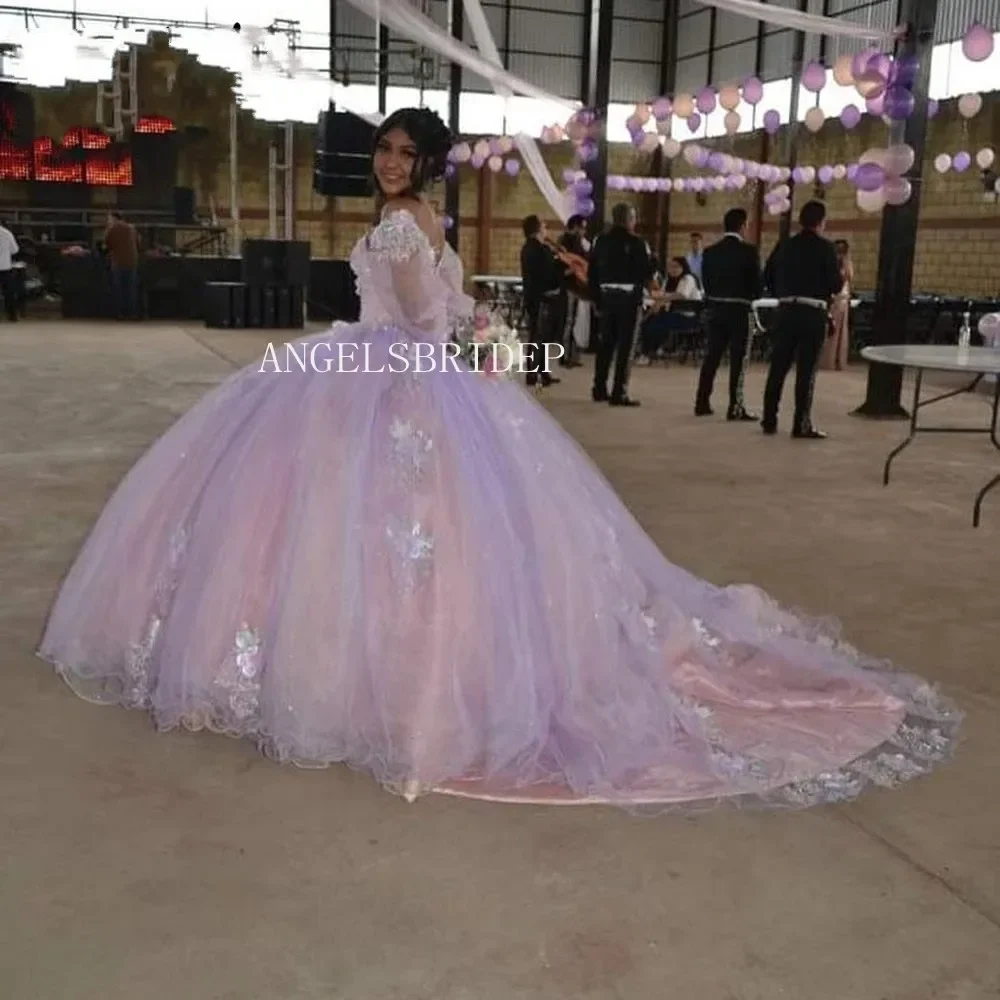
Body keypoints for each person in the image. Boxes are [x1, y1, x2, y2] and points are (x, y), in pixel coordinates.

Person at [36, 106, 960, 810]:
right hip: (390, 364)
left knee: (369, 531)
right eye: (386, 151)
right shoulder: (421, 220)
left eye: (405, 153)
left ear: (427, 164)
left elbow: (422, 318)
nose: (391, 163)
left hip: (386, 372)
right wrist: (489, 353)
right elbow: (453, 305)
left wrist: (462, 351)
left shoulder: (403, 225)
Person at [761, 200, 842, 439]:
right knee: (806, 371)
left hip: (785, 311)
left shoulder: (784, 245)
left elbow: (768, 275)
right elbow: (835, 284)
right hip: (812, 312)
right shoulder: (826, 248)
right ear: (821, 221)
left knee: (778, 368)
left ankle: (769, 420)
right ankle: (801, 423)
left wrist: (783, 294)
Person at [695, 208, 762, 421]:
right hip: (740, 310)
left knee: (711, 357)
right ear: (743, 226)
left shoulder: (710, 252)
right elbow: (757, 286)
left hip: (715, 309)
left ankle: (702, 401)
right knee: (738, 359)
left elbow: (705, 282)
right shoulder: (749, 252)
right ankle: (735, 405)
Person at [588, 203, 654, 406]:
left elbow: (592, 273)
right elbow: (646, 272)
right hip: (628, 299)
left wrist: (596, 299)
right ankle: (619, 392)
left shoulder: (600, 241)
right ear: (628, 219)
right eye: (633, 217)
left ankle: (599, 388)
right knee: (626, 347)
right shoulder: (638, 243)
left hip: (606, 297)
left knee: (605, 345)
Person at [519, 214, 562, 389]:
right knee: (539, 337)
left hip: (532, 296)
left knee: (538, 337)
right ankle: (534, 372)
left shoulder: (527, 248)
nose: (546, 230)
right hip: (543, 297)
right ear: (537, 229)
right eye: (544, 226)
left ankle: (540, 372)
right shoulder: (540, 249)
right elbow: (549, 273)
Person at [637, 256, 702, 364]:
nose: (672, 269)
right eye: (670, 267)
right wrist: (658, 302)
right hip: (671, 313)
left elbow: (681, 295)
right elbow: (662, 295)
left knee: (655, 322)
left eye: (675, 266)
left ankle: (648, 352)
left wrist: (662, 300)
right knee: (650, 319)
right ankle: (651, 350)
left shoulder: (688, 278)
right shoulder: (668, 280)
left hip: (687, 317)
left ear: (683, 267)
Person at [556, 214, 587, 368]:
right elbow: (563, 261)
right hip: (568, 285)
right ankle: (564, 356)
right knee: (568, 321)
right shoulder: (566, 241)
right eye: (582, 228)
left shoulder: (576, 242)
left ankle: (569, 354)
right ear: (575, 227)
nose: (584, 232)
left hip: (575, 285)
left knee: (571, 320)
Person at [820, 239, 854, 371]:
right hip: (840, 298)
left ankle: (832, 360)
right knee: (835, 330)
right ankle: (834, 360)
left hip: (840, 298)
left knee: (834, 330)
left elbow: (846, 279)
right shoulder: (841, 263)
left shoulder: (841, 263)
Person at [104, 212, 141, 320]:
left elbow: (107, 243)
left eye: (109, 219)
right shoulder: (132, 228)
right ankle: (132, 313)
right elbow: (138, 242)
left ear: (114, 219)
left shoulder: (112, 228)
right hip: (132, 261)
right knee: (131, 289)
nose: (108, 221)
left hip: (118, 261)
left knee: (118, 288)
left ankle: (119, 313)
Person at [0, 219, 20, 322]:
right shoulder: (7, 233)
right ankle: (12, 316)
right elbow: (15, 250)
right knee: (8, 293)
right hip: (4, 267)